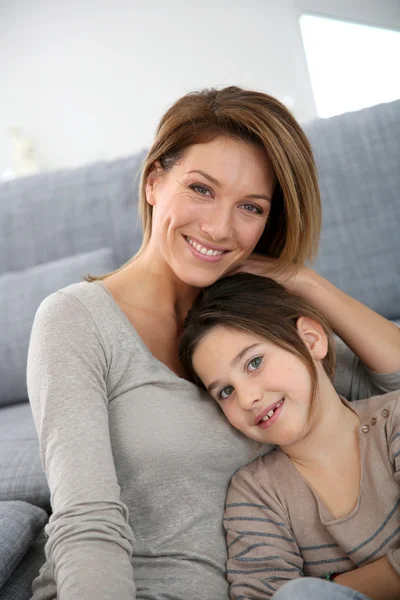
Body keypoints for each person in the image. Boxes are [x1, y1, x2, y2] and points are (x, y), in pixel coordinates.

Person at [26, 86, 400, 600]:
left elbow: (391, 383)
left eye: (251, 206)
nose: (220, 227)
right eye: (201, 189)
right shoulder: (75, 320)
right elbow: (86, 524)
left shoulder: (254, 327)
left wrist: (307, 283)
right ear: (155, 181)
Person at [179, 272, 400, 600]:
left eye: (254, 362)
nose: (246, 398)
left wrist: (329, 587)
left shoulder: (393, 420)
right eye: (225, 391)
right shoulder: (255, 491)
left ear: (311, 340)